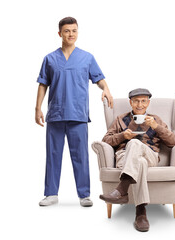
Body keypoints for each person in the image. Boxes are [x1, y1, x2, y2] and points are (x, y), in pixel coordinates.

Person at [35, 17, 113, 207]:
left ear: (78, 33)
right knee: (53, 154)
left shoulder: (87, 57)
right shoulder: (50, 59)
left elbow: (99, 79)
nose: (71, 34)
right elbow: (43, 84)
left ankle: (84, 194)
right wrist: (37, 108)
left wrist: (106, 89)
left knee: (80, 155)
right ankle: (51, 193)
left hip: (78, 114)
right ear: (60, 33)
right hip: (56, 113)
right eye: (67, 31)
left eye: (74, 30)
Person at [99, 88, 175, 232]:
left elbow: (174, 142)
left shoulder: (156, 119)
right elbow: (106, 140)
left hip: (150, 155)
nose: (139, 104)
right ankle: (141, 213)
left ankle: (122, 190)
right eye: (136, 101)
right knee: (138, 160)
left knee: (136, 143)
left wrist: (157, 127)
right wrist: (122, 136)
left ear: (148, 103)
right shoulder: (120, 119)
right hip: (125, 156)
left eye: (143, 101)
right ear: (131, 102)